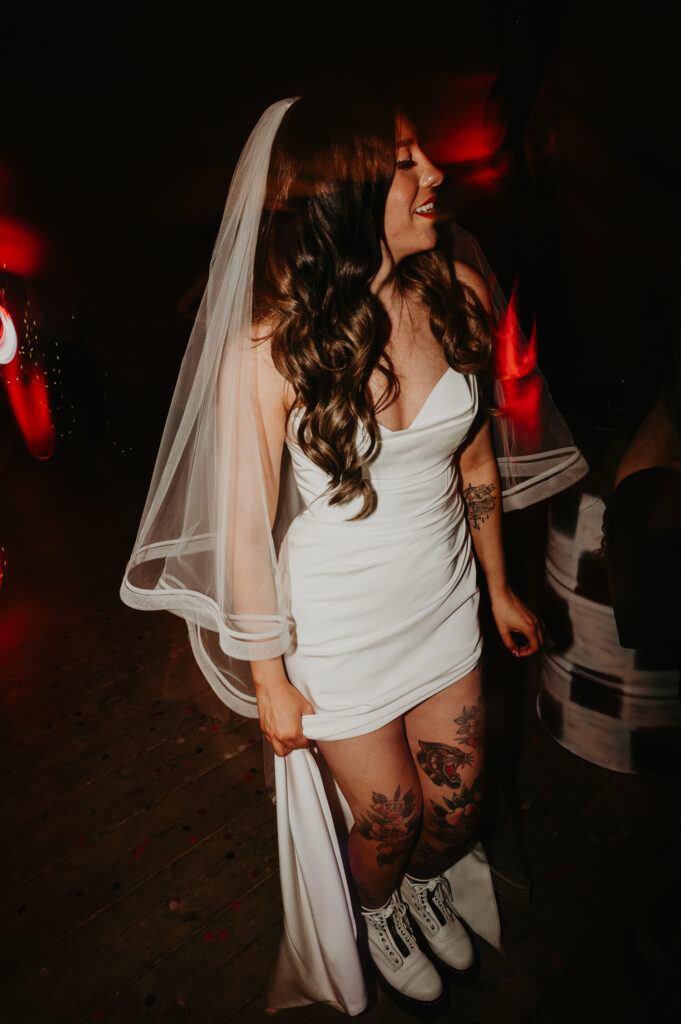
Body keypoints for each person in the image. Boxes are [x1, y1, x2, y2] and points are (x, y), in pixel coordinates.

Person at [121, 93, 586, 1014]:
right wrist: (269, 683)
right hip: (338, 626)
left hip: (446, 598)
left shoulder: (457, 287)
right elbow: (249, 532)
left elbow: (475, 454)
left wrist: (497, 584)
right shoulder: (266, 348)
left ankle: (425, 884)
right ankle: (379, 907)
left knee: (455, 808)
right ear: (342, 201)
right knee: (391, 818)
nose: (436, 176)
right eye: (407, 162)